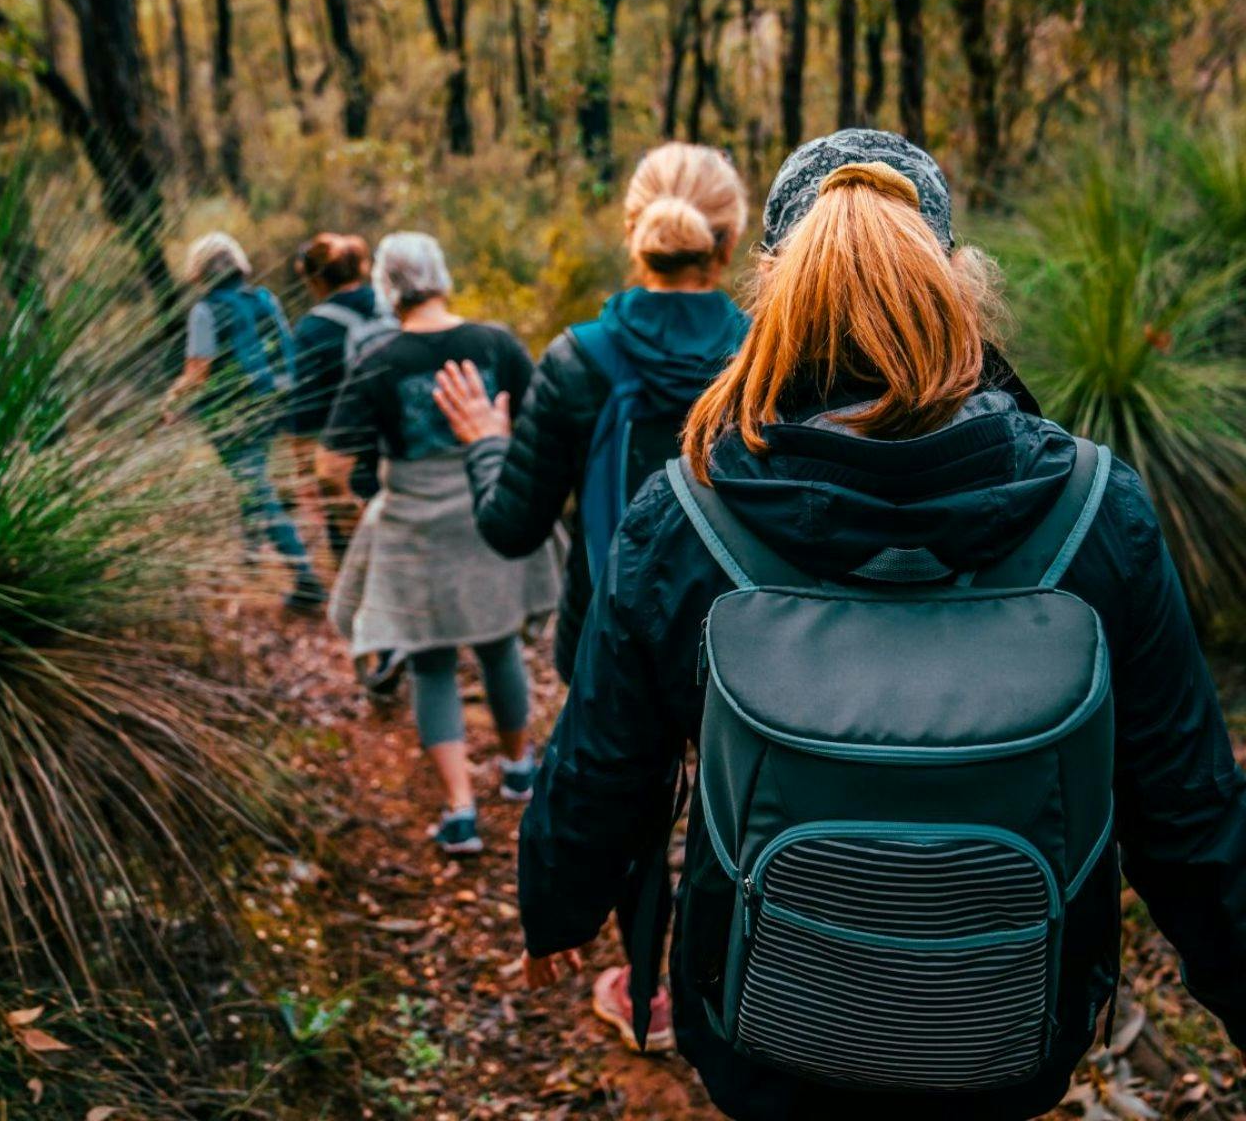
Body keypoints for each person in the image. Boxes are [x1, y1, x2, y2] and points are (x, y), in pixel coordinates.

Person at [516, 129, 1246, 1120]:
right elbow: (1185, 808)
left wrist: (555, 900)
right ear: (952, 280)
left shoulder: (688, 513)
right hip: (1008, 1033)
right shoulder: (1088, 511)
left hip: (760, 1028)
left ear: (775, 287)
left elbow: (607, 759)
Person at [432, 141, 752, 1053]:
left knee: (628, 806)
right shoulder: (768, 353)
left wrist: (488, 439)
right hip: (753, 640)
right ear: (726, 246)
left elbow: (511, 528)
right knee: (739, 804)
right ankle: (731, 981)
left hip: (612, 636)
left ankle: (643, 992)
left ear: (633, 237)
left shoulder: (578, 361)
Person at [319, 233, 562, 856]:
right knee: (498, 641)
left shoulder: (376, 359)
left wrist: (368, 495)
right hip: (491, 508)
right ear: (442, 276)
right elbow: (539, 424)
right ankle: (518, 770)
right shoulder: (497, 343)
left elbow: (329, 464)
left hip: (415, 528)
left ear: (386, 288)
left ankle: (460, 810)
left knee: (430, 661)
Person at [171, 231, 325, 613]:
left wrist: (171, 399)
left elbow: (197, 373)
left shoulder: (205, 311)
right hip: (275, 403)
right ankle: (252, 551)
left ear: (200, 270)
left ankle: (305, 576)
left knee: (255, 486)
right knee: (254, 477)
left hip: (234, 414)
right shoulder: (264, 299)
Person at [286, 233, 393, 561]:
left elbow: (304, 415)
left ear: (316, 280)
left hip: (349, 465)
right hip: (406, 453)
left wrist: (308, 477)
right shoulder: (392, 306)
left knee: (355, 566)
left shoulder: (312, 330)